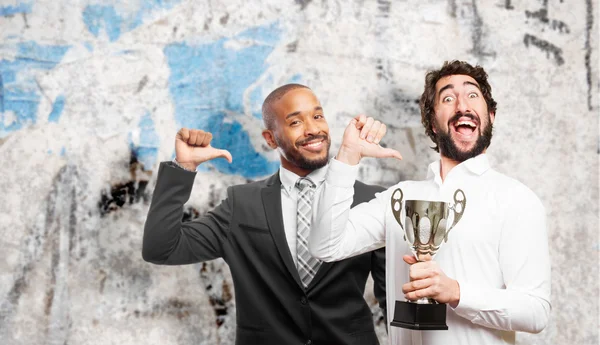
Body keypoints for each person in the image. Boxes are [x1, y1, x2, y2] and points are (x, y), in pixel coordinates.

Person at [308, 61, 551, 345]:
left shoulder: (516, 199)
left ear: (490, 116)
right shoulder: (401, 198)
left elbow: (536, 312)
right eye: (448, 98)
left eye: (473, 95)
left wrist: (456, 292)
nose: (462, 105)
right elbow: (324, 245)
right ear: (433, 124)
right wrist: (347, 156)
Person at [142, 84, 387, 345]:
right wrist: (184, 168)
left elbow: (392, 302)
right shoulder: (241, 204)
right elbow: (161, 249)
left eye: (317, 116)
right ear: (270, 139)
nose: (313, 129)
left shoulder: (369, 201)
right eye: (295, 121)